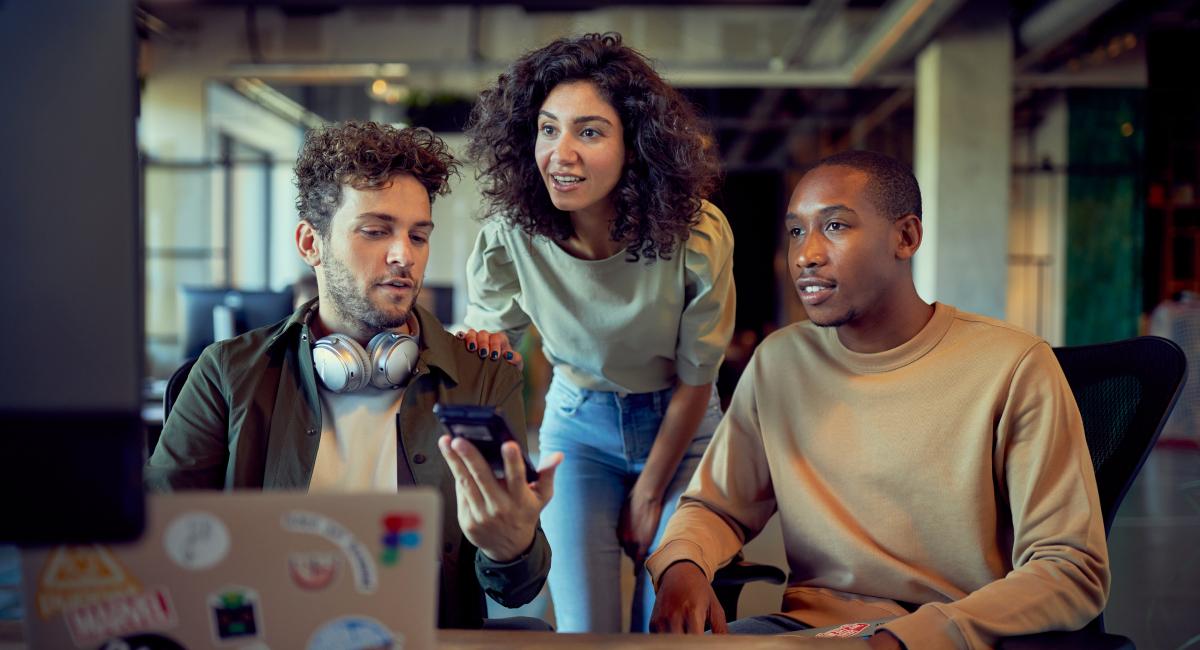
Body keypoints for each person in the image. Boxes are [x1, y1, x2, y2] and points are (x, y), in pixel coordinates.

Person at [647, 151, 1109, 649]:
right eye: (797, 231)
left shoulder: (1014, 365)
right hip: (810, 632)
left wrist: (905, 640)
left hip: (953, 636)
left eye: (836, 226)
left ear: (905, 237)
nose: (806, 254)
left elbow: (1071, 568)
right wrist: (682, 562)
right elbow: (718, 505)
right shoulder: (779, 362)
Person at [146, 121, 561, 630]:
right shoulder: (228, 374)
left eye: (418, 235)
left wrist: (511, 545)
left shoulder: (480, 375)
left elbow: (518, 589)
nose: (403, 255)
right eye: (376, 230)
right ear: (310, 242)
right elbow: (158, 546)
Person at [459, 32, 734, 633]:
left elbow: (698, 376)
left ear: (635, 146)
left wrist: (649, 492)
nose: (562, 153)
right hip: (577, 428)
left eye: (589, 131)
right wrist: (483, 349)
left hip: (682, 429)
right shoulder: (510, 237)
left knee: (670, 622)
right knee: (586, 631)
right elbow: (485, 341)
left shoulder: (696, 233)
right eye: (548, 128)